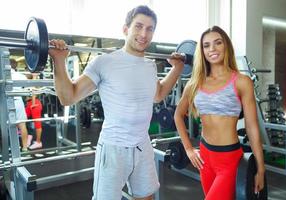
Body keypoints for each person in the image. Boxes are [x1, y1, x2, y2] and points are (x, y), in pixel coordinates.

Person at [48, 5, 184, 200]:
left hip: (142, 144)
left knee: (146, 197)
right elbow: (68, 97)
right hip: (113, 148)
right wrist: (59, 61)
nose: (144, 33)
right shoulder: (104, 62)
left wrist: (177, 69)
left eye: (150, 28)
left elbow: (158, 94)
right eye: (138, 26)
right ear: (125, 29)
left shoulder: (150, 66)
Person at [174, 26, 265, 199]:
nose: (212, 49)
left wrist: (260, 168)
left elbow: (252, 127)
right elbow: (178, 115)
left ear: (226, 46)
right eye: (206, 45)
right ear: (202, 51)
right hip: (204, 156)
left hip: (229, 159)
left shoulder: (241, 82)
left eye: (218, 43)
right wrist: (188, 149)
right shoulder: (195, 83)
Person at [10, 59, 29, 152]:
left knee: (5, 126)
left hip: (6, 102)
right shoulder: (20, 75)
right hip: (18, 101)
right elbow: (27, 89)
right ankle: (25, 148)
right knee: (22, 125)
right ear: (15, 66)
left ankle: (9, 148)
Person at [25, 73, 43, 149]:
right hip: (29, 104)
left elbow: (34, 92)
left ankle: (38, 142)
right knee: (23, 121)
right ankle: (29, 137)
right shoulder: (27, 84)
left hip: (34, 103)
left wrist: (32, 104)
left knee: (37, 124)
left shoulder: (33, 83)